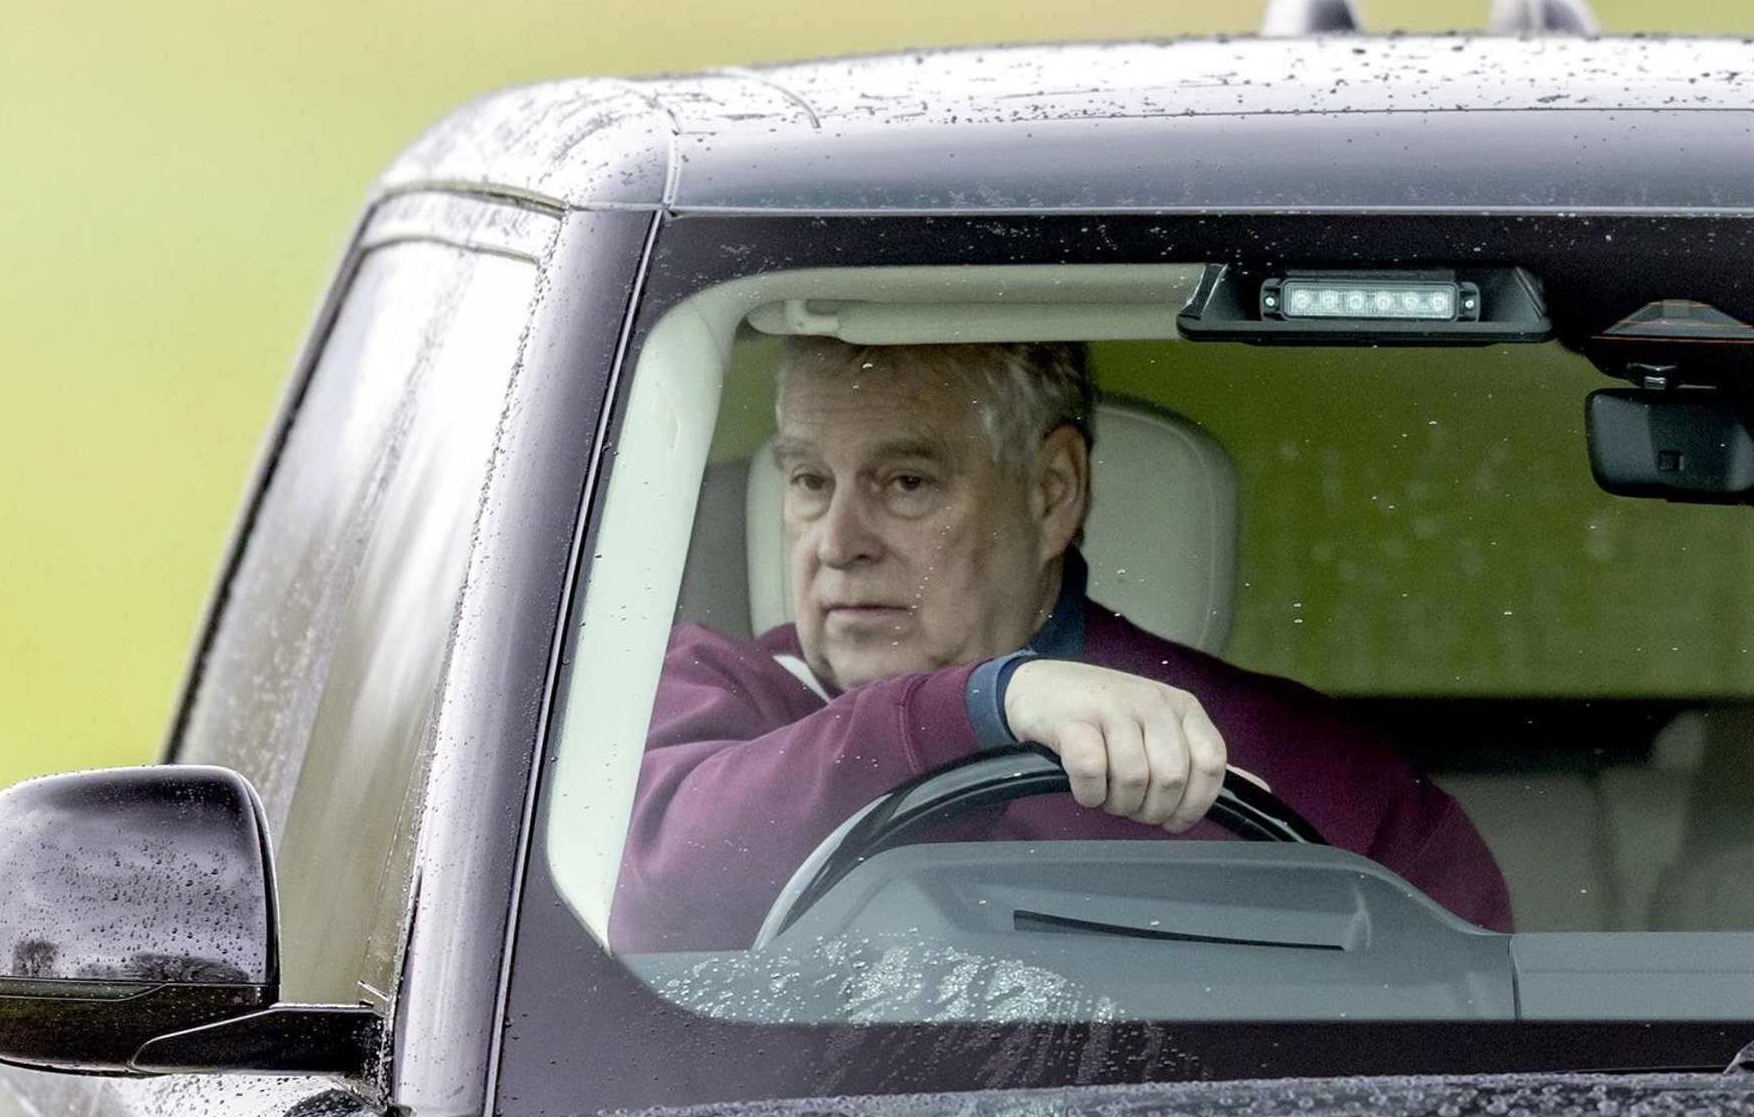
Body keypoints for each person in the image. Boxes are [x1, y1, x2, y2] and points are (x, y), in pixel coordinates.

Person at [610, 338, 1511, 952]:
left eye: (907, 482)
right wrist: (987, 703)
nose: (837, 542)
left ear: (1051, 494)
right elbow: (640, 891)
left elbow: (1455, 1077)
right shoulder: (712, 703)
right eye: (810, 480)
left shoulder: (1311, 770)